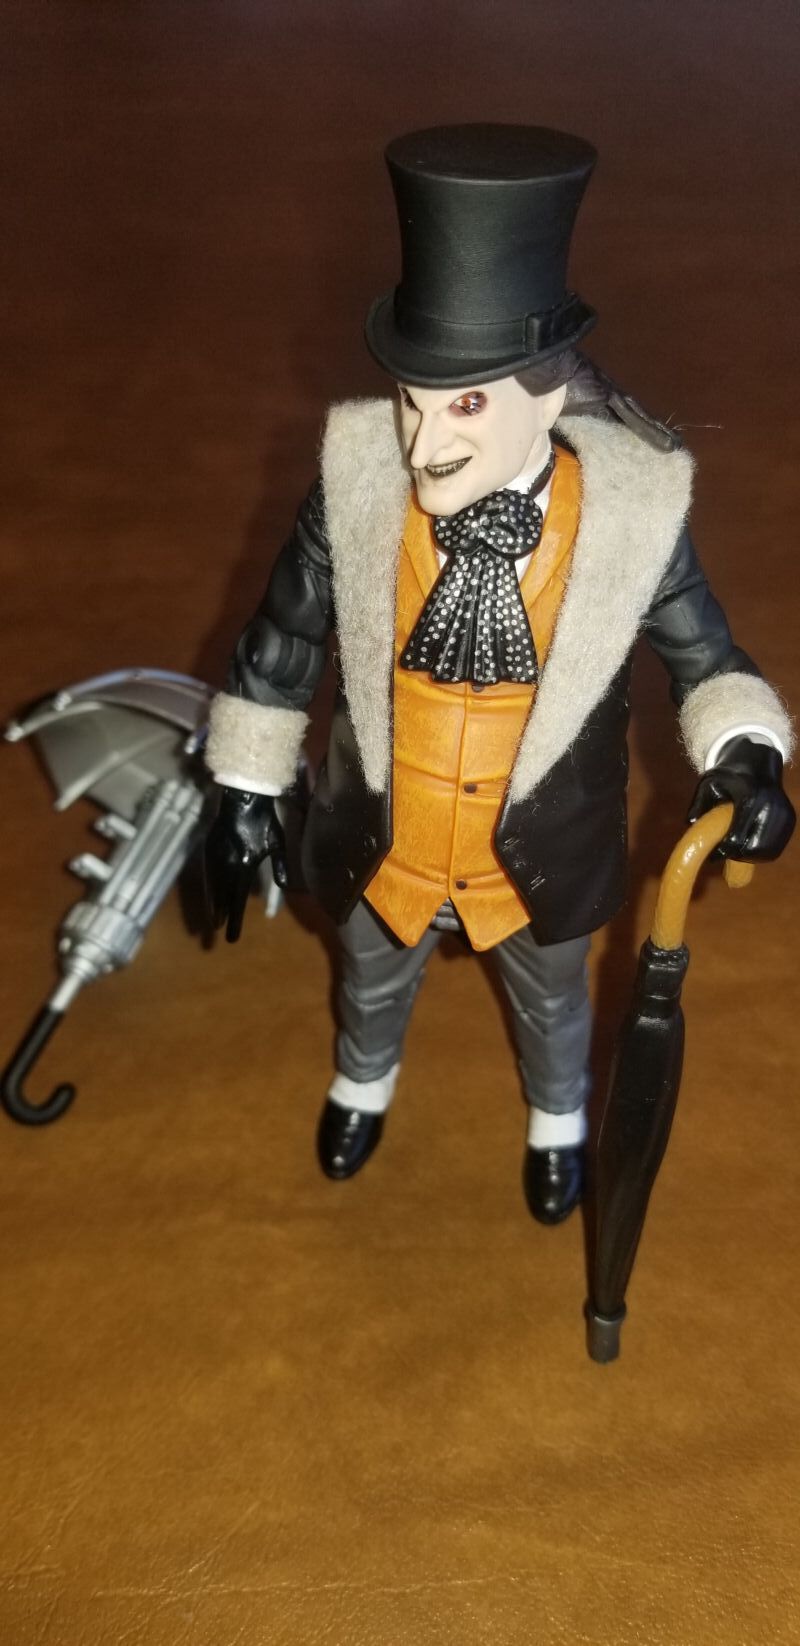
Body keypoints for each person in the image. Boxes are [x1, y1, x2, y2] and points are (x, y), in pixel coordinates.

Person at [204, 125, 794, 1223]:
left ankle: (556, 1117)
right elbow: (282, 638)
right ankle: (362, 1081)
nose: (422, 440)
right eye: (411, 398)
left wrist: (746, 754)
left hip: (536, 857)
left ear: (548, 396)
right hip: (382, 838)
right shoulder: (356, 487)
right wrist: (241, 785)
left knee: (554, 1003)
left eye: (466, 404)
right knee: (369, 976)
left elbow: (706, 656)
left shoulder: (627, 520)